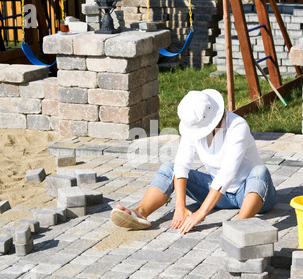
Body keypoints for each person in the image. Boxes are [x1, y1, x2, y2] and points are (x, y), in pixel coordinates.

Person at [110, 89, 277, 234]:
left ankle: (239, 226)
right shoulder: (195, 123)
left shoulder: (238, 126)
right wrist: (180, 207)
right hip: (220, 196)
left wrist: (200, 213)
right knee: (170, 168)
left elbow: (227, 174)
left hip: (252, 194)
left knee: (260, 171)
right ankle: (140, 213)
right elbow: (182, 164)